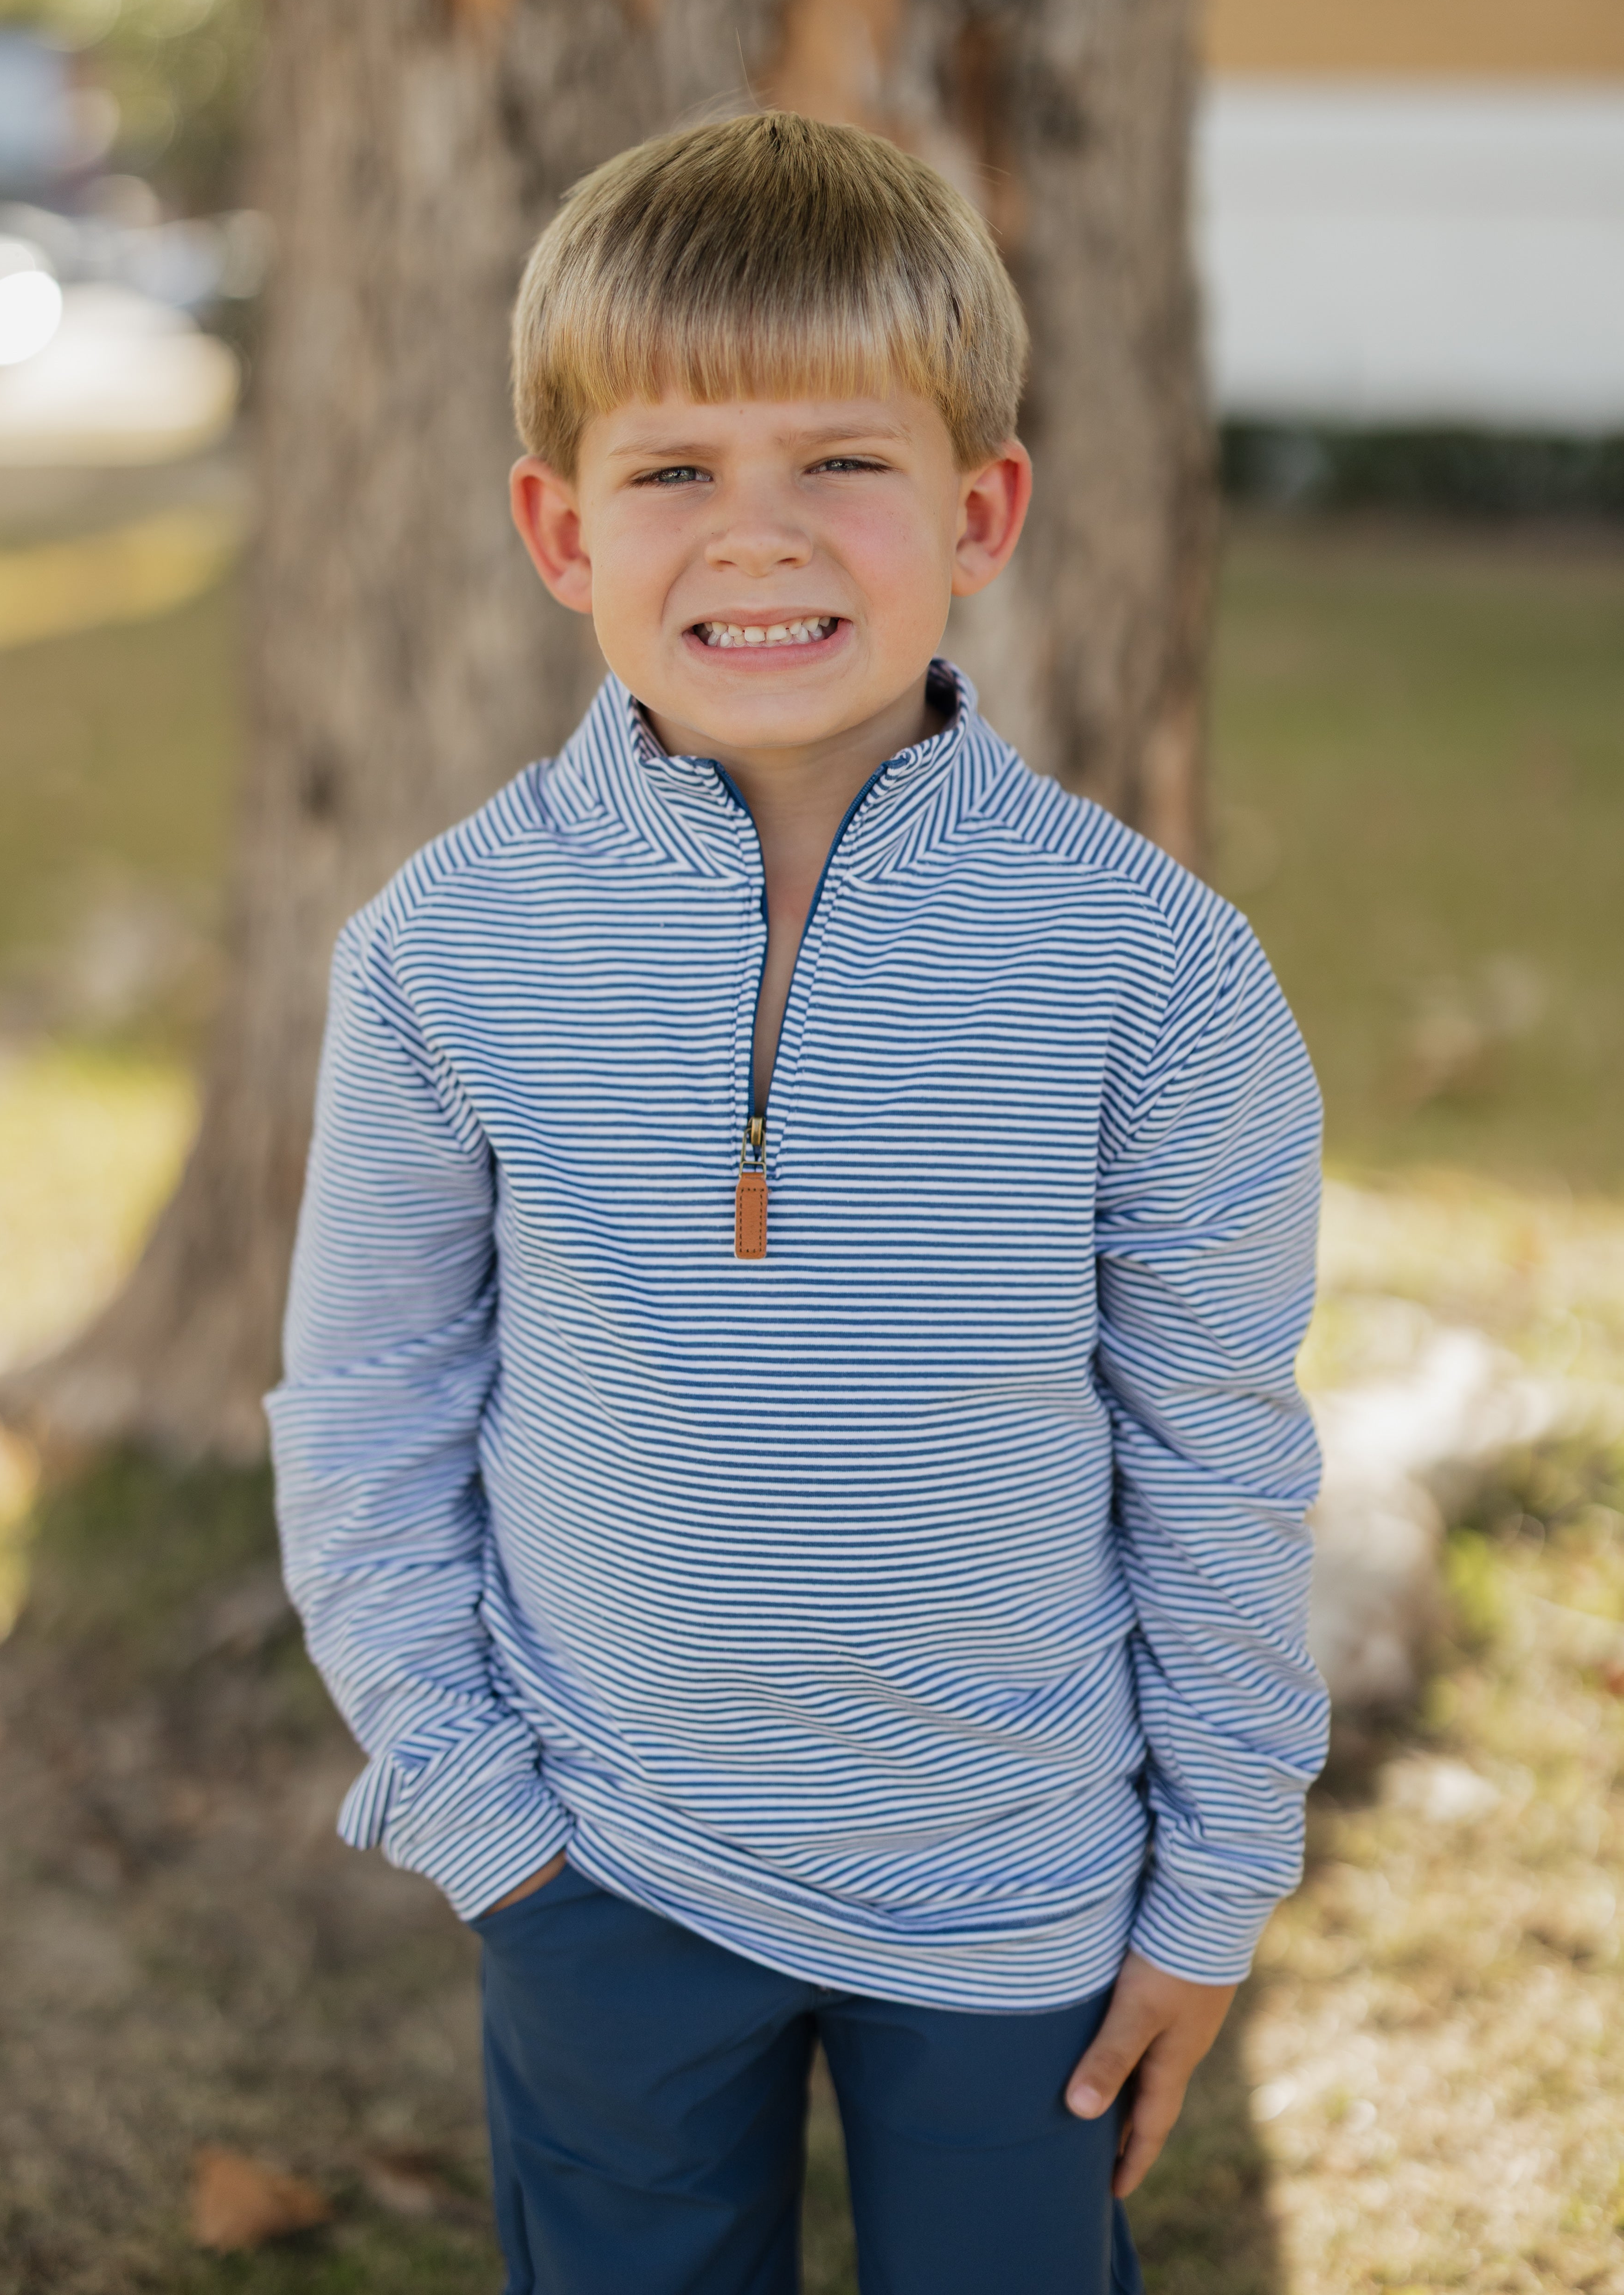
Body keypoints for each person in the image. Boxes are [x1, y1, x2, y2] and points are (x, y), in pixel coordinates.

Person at [268, 110, 1329, 2295]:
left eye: (840, 461)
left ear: (982, 507)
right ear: (561, 531)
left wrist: (1211, 1888)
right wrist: (487, 1823)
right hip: (606, 1872)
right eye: (675, 474)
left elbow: (1220, 1451)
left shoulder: (1156, 969)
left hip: (1021, 1883)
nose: (757, 537)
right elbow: (368, 1398)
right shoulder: (445, 947)